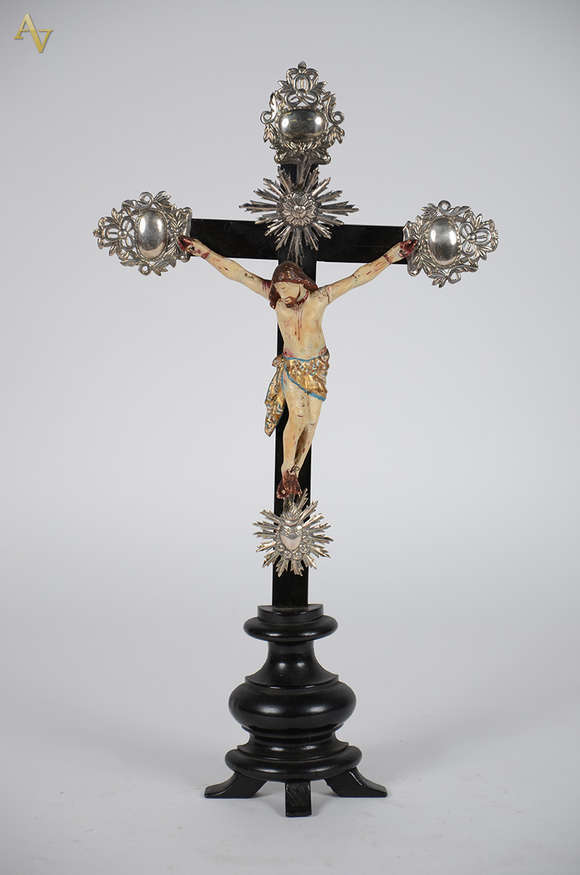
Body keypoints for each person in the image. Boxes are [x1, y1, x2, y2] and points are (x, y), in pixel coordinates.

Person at [178, 235, 416, 498]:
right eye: (279, 291)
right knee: (299, 416)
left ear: (299, 282)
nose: (282, 296)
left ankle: (294, 472)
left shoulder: (319, 298)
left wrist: (391, 256)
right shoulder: (277, 298)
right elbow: (238, 274)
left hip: (317, 367)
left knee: (312, 422)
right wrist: (203, 252)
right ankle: (285, 469)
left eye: (286, 290)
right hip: (292, 366)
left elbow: (358, 278)